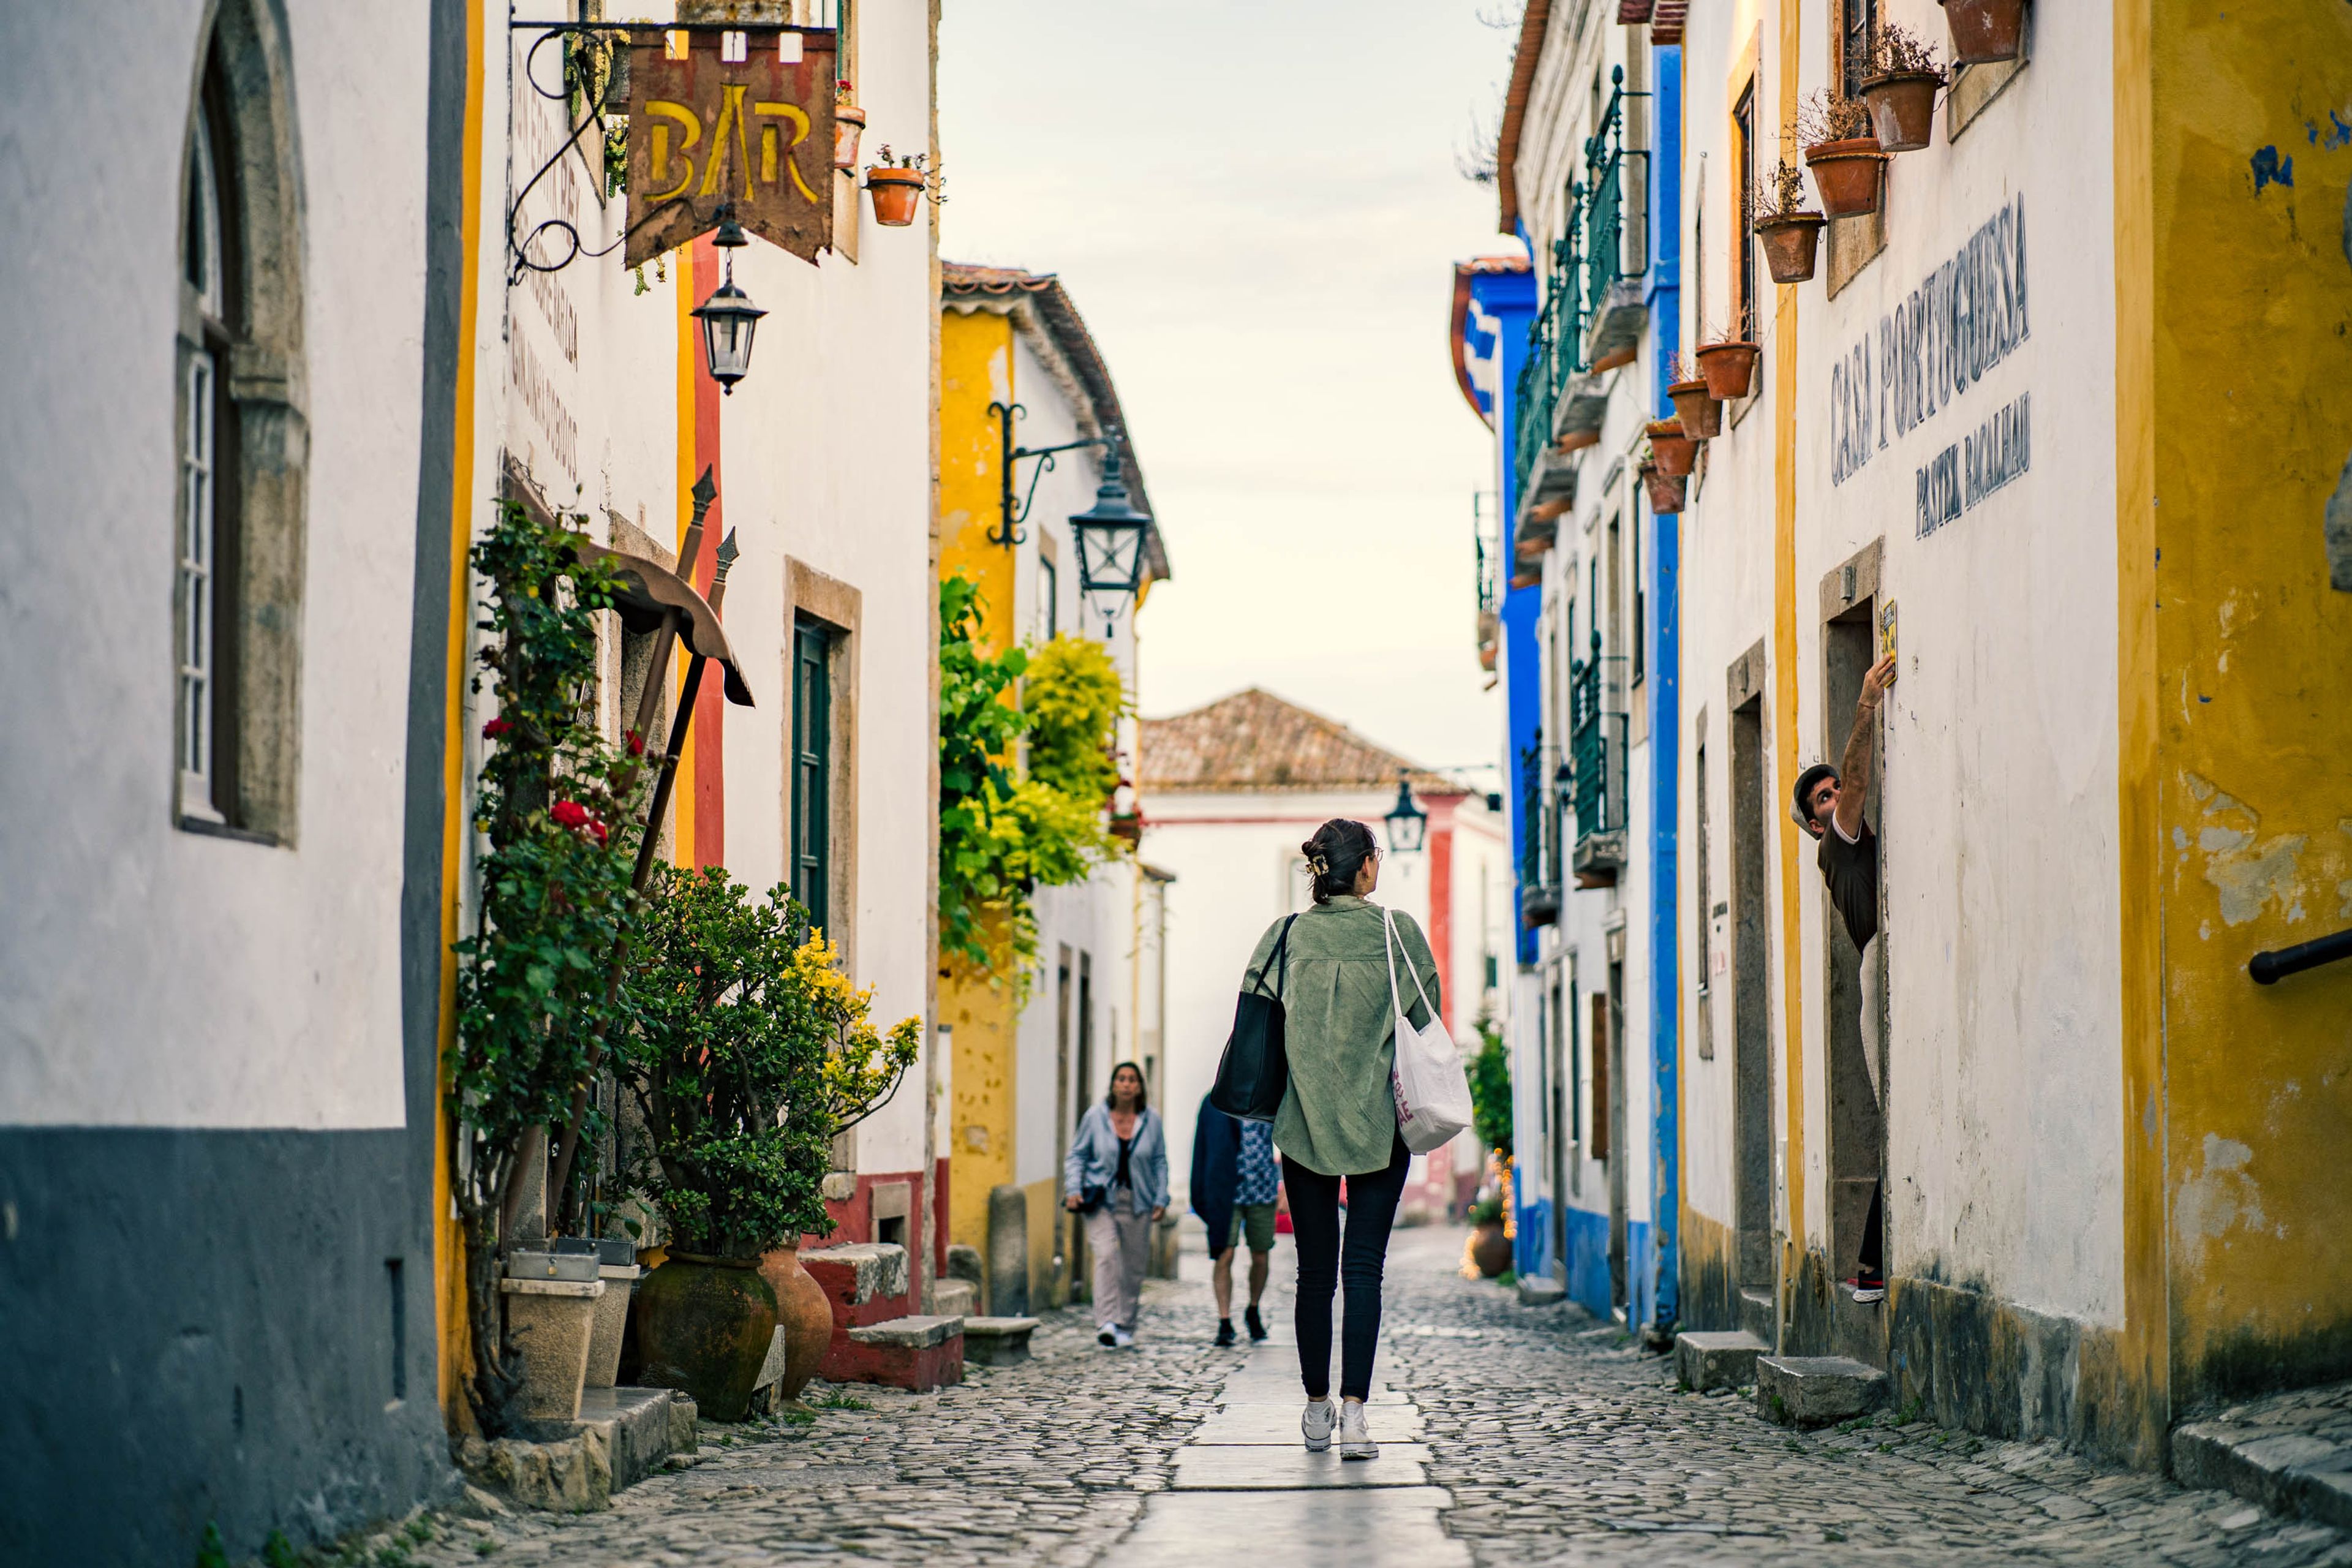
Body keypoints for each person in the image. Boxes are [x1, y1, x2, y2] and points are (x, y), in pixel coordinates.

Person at [1237, 818, 1439, 1460]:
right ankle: (1355, 1415)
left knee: (1314, 1275)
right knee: (1363, 1271)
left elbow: (1255, 1007)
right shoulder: (1395, 932)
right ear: (1367, 868)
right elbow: (1427, 1014)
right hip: (1382, 1121)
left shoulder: (1287, 934)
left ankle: (1316, 1408)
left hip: (1303, 1123)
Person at [1792, 652, 1896, 1305]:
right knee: (1896, 1116)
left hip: (1889, 961)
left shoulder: (1855, 841)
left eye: (1834, 789)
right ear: (1813, 823)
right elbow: (1859, 786)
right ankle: (1869, 1267)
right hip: (1879, 966)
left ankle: (1871, 1265)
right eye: (1822, 798)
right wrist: (1864, 707)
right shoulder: (1839, 841)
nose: (1836, 798)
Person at [1063, 1061, 1167, 1348]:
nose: (1126, 1084)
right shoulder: (1095, 1118)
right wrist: (1073, 1188)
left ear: (1139, 1087)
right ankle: (1106, 1322)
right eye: (1121, 1079)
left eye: (1132, 1079)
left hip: (1139, 1200)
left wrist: (1161, 1197)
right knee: (1107, 1255)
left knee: (1133, 1266)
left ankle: (1126, 1324)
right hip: (1101, 1199)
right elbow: (1077, 1156)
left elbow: (1159, 1160)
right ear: (1112, 1085)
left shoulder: (1151, 1120)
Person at [1190, 1095, 1280, 1346]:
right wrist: (1199, 1192)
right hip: (1226, 1191)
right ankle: (1224, 1320)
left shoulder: (1268, 1097)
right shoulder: (1215, 1101)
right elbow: (1202, 1148)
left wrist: (1284, 1187)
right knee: (1224, 1254)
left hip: (1262, 1188)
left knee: (1260, 1254)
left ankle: (1253, 1308)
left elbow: (1285, 1139)